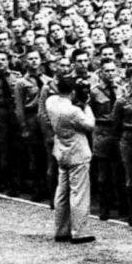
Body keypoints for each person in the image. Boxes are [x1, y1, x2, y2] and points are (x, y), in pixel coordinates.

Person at [46, 74, 96, 244]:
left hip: (61, 149)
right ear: (73, 91)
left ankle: (61, 229)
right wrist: (86, 105)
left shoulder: (51, 102)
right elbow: (89, 125)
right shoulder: (73, 111)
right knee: (79, 193)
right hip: (77, 151)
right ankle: (78, 231)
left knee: (62, 191)